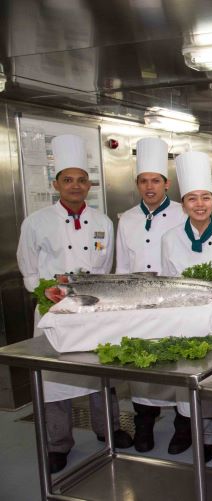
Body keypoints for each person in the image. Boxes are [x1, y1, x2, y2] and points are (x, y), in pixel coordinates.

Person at [16, 134, 132, 473]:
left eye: (81, 180)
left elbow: (105, 265)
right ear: (56, 184)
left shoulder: (102, 222)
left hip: (93, 309)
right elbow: (28, 268)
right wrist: (48, 295)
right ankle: (58, 443)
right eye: (68, 180)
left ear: (89, 185)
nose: (75, 186)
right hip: (53, 311)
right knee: (53, 378)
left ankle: (107, 429)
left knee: (101, 371)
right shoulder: (35, 222)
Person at [160, 150, 212, 466]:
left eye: (205, 198)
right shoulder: (169, 238)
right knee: (193, 379)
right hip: (185, 320)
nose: (200, 204)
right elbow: (167, 283)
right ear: (183, 205)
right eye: (193, 199)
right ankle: (202, 436)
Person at [115, 137, 187, 454]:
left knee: (177, 366)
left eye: (155, 180)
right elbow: (120, 267)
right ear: (137, 184)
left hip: (172, 303)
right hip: (137, 306)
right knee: (141, 369)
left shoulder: (182, 214)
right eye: (143, 181)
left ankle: (182, 429)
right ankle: (144, 425)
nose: (149, 187)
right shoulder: (127, 219)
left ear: (166, 183)